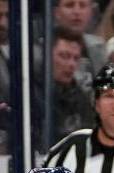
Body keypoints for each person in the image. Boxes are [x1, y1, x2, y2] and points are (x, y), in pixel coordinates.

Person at [30, 26, 93, 157]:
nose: (71, 64)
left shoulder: (81, 99)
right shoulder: (30, 94)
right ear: (46, 55)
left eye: (75, 58)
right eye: (64, 56)